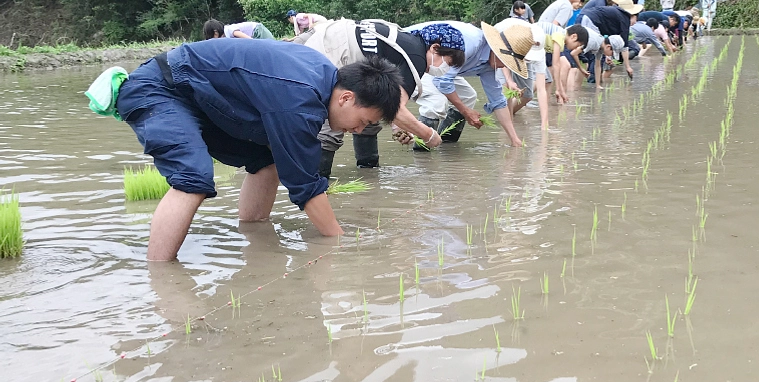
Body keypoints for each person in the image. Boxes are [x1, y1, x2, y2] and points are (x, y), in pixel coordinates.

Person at [114, 39, 403, 260]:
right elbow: (305, 186)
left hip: (201, 97)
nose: (360, 130)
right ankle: (160, 276)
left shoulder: (322, 77)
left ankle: (253, 234)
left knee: (268, 163)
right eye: (364, 121)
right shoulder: (299, 101)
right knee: (194, 179)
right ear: (347, 98)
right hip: (160, 89)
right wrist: (341, 244)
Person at [291, 18, 467, 175]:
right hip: (330, 51)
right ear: (435, 48)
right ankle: (317, 186)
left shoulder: (406, 40)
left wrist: (398, 126)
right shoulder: (417, 58)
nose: (445, 69)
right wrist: (428, 135)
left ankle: (368, 173)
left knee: (369, 111)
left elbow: (385, 100)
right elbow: (397, 110)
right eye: (448, 63)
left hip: (327, 35)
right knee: (333, 123)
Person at [407, 20, 532, 148]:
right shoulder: (471, 44)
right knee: (436, 102)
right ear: (497, 50)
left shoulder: (489, 64)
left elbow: (498, 100)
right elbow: (442, 81)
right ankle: (422, 153)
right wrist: (466, 112)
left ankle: (446, 145)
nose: (505, 66)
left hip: (441, 67)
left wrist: (514, 140)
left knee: (468, 96)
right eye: (506, 61)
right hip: (415, 58)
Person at [578, 0, 641, 87]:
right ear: (632, 15)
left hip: (584, 18)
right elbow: (624, 46)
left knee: (598, 55)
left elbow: (607, 43)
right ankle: (592, 84)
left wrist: (608, 56)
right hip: (589, 21)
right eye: (636, 19)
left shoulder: (616, 16)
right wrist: (628, 67)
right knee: (595, 56)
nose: (635, 23)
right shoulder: (624, 18)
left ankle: (592, 84)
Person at [202, 19, 274, 40]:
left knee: (270, 47)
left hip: (258, 31)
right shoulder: (226, 37)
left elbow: (249, 39)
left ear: (215, 33)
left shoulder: (229, 30)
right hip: (255, 34)